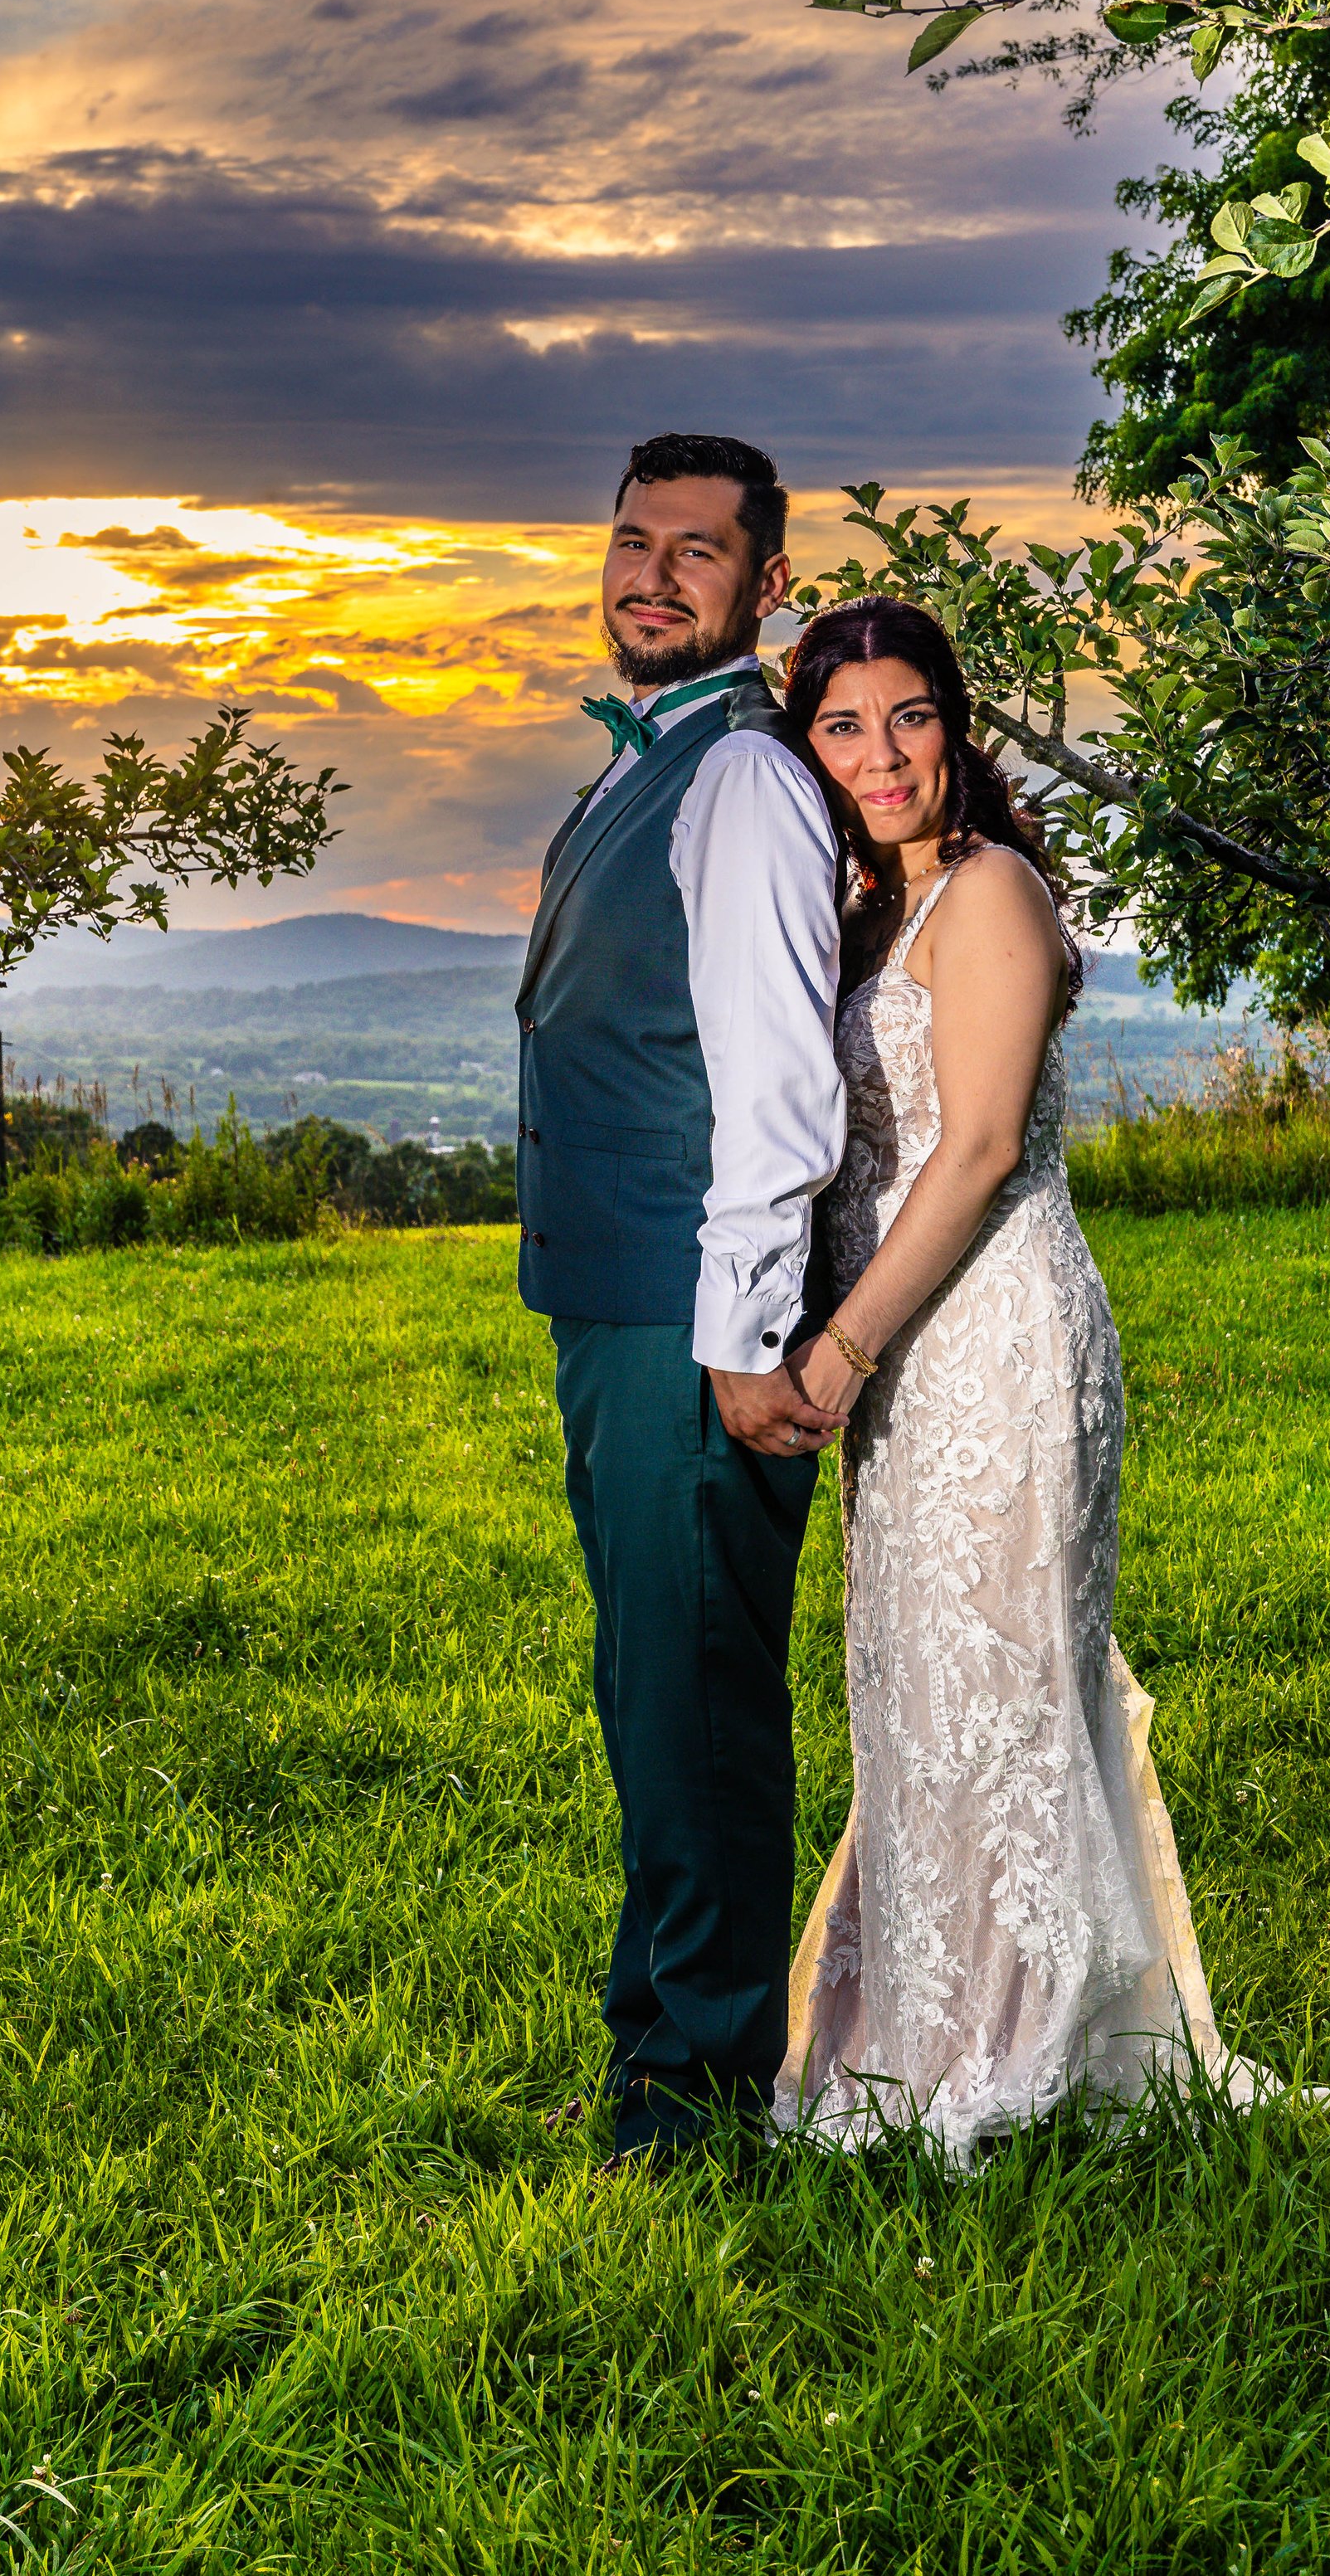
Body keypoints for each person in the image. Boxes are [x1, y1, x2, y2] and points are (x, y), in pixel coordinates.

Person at [772, 595, 1269, 2159]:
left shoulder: (989, 889)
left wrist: (841, 1349)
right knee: (921, 1685)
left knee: (999, 1677)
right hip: (908, 1342)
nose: (880, 753)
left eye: (907, 715)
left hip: (990, 1334)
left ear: (955, 722)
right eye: (841, 725)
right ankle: (921, 2028)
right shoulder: (878, 905)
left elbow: (979, 1148)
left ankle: (1022, 2049)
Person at [515, 431, 847, 2169]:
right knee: (647, 1683)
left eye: (695, 552)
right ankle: (659, 2045)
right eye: (631, 541)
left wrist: (737, 1342)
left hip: (686, 1322)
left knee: (694, 1695)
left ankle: (699, 2092)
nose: (650, 574)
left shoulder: (737, 781)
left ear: (763, 586)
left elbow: (779, 1088)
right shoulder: (636, 769)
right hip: (617, 1304)